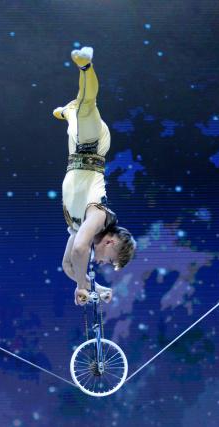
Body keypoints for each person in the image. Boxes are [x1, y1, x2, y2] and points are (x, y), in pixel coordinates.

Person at [54, 46, 136, 306]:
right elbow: (79, 250)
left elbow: (69, 265)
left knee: (76, 120)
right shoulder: (98, 217)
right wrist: (81, 286)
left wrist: (94, 290)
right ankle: (85, 66)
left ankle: (68, 112)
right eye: (108, 260)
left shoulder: (81, 227)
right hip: (93, 146)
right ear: (110, 242)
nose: (101, 262)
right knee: (87, 105)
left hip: (75, 153)